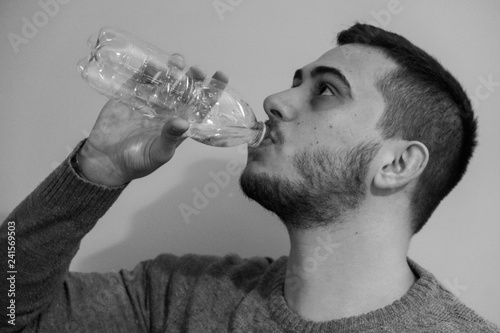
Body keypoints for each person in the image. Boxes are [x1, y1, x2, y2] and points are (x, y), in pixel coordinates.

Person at [1, 23, 498, 332]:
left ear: (396, 165)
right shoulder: (181, 295)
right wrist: (97, 169)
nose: (275, 101)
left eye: (326, 91)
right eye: (294, 82)